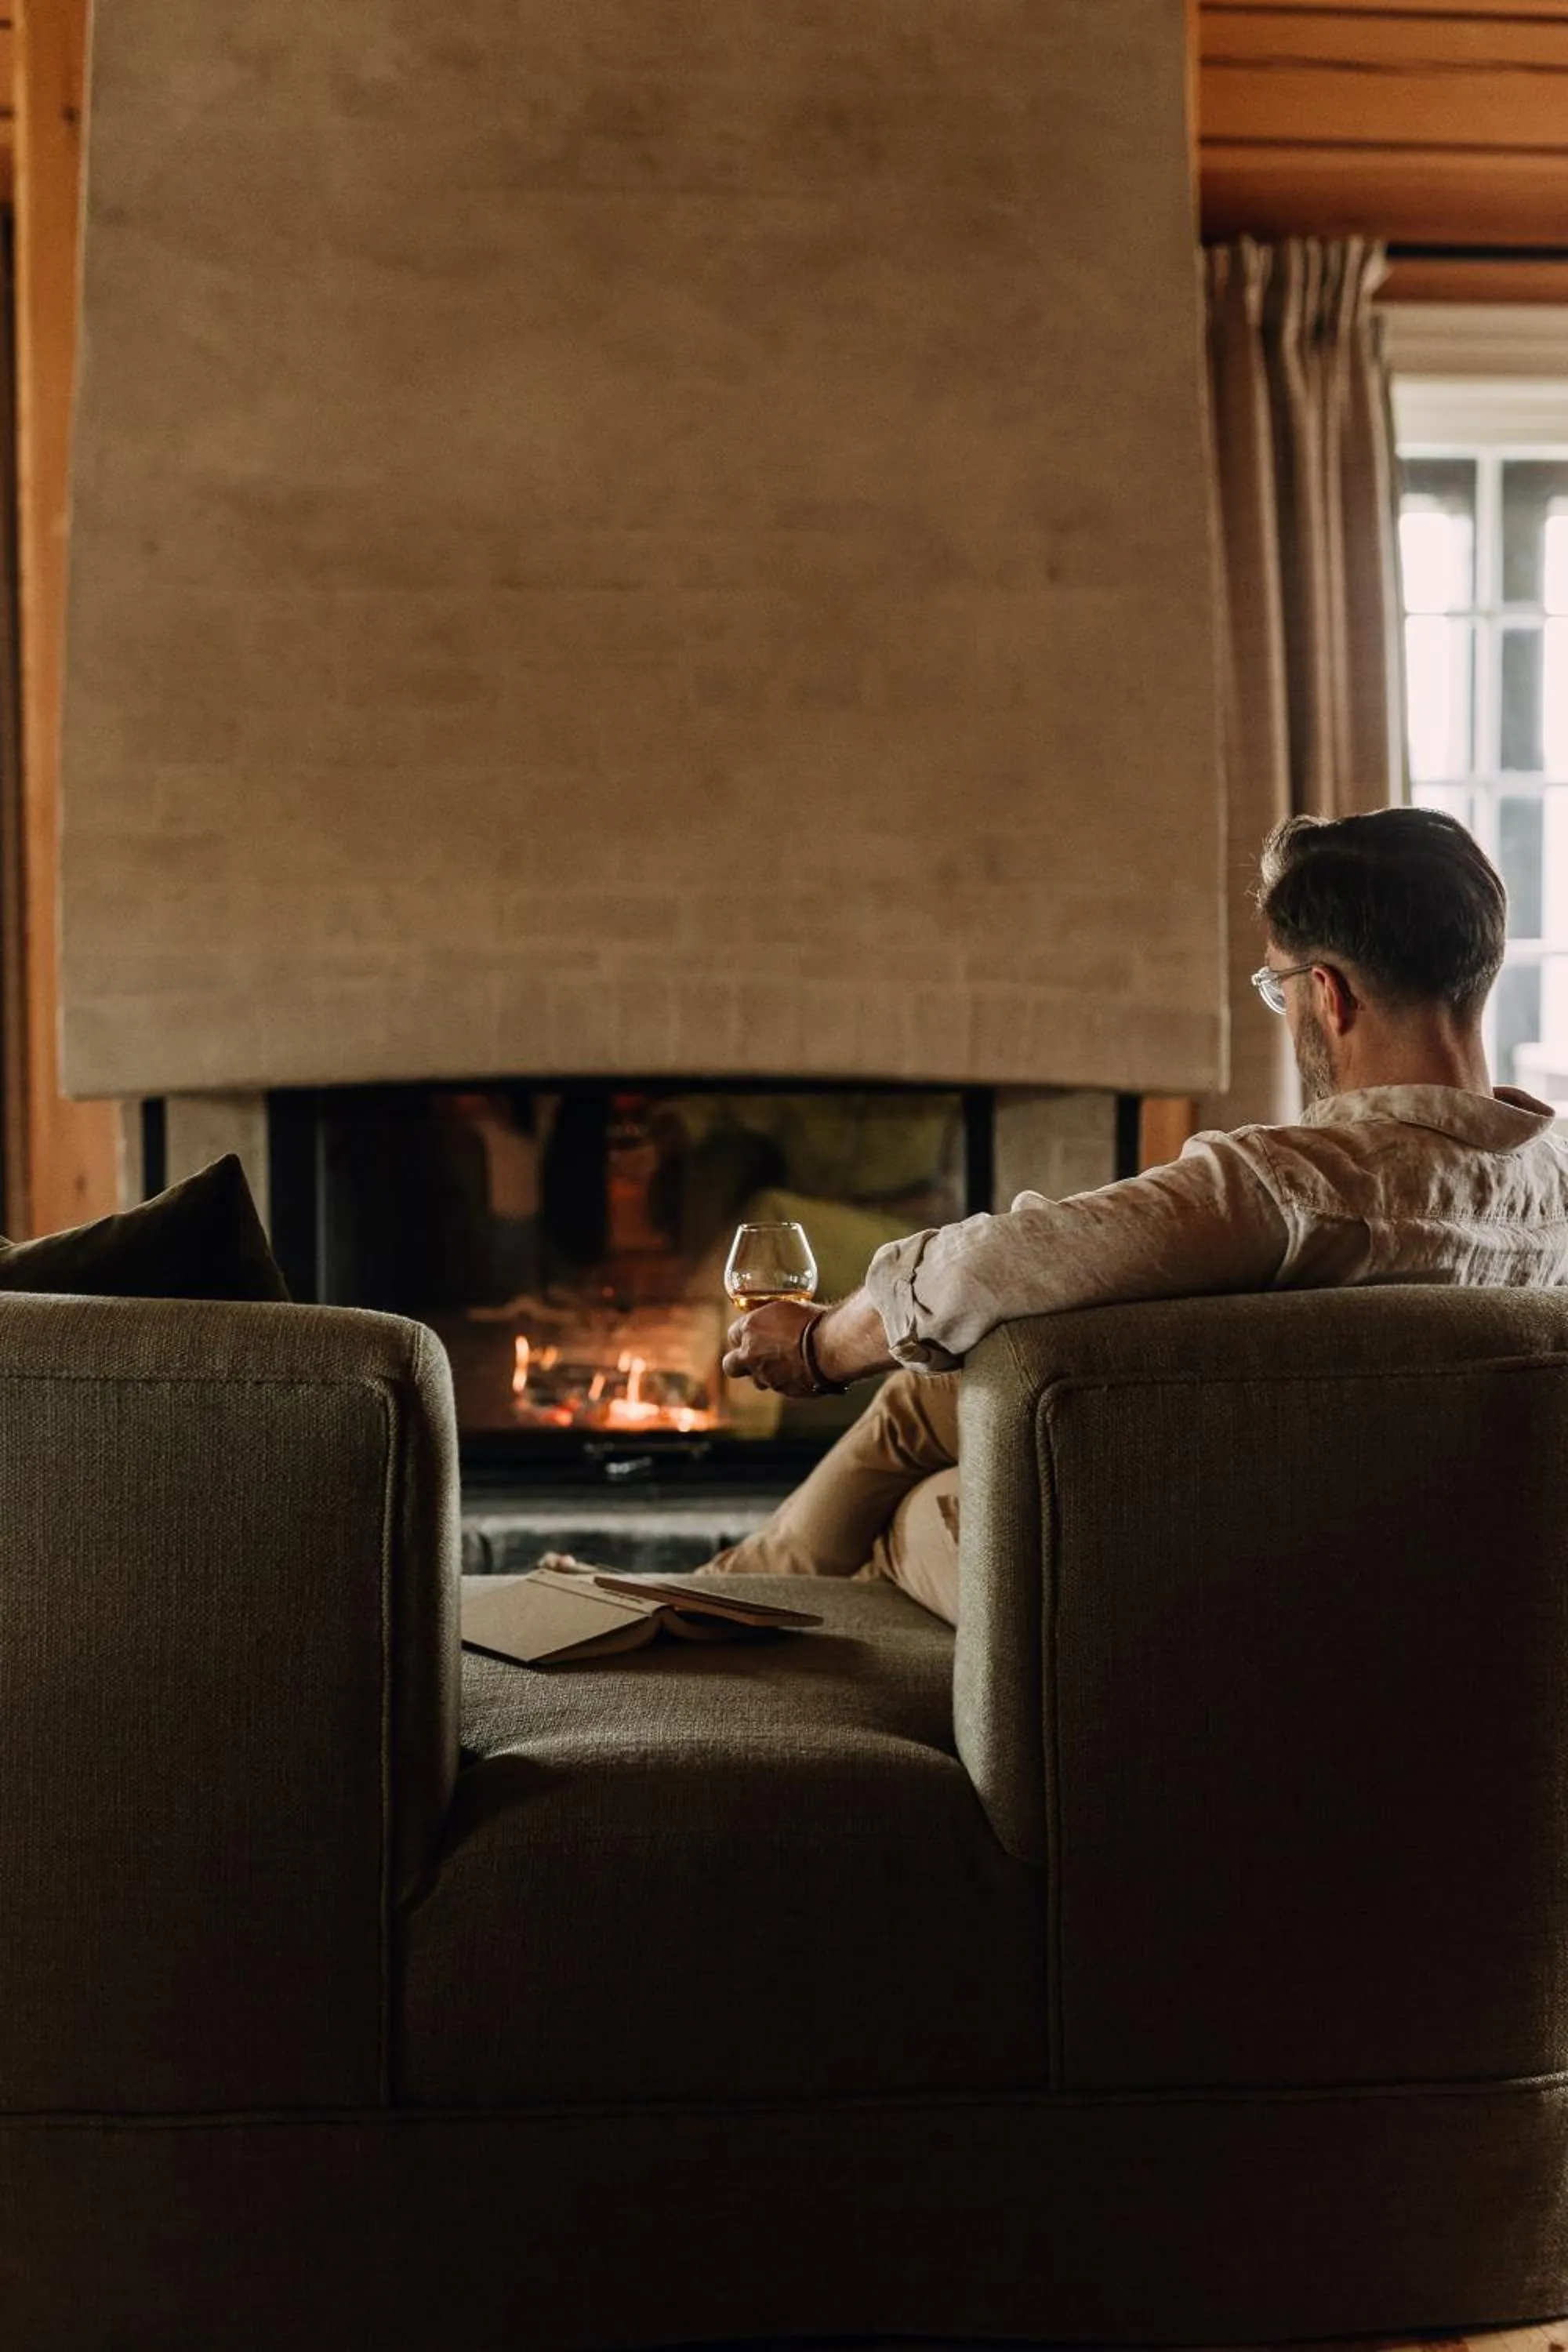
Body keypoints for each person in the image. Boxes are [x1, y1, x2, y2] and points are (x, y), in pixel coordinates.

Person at [705, 807, 1568, 1624]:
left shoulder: (1290, 1187)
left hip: (1195, 1570)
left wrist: (817, 1347)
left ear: (1329, 994)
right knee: (919, 1402)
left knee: (912, 1514)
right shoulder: (1555, 1180)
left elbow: (991, 1265)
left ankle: (718, 1606)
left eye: (1278, 988)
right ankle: (722, 1594)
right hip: (1424, 1559)